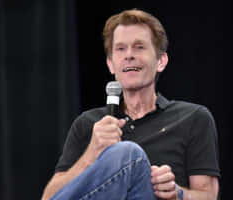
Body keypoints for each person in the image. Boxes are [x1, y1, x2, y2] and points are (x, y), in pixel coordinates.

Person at [42, 9, 220, 200]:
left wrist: (178, 193)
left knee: (128, 154)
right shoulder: (89, 124)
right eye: (120, 49)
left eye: (139, 47)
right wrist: (91, 154)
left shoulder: (193, 118)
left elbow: (208, 195)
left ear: (161, 61)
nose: (129, 55)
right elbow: (49, 197)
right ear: (111, 64)